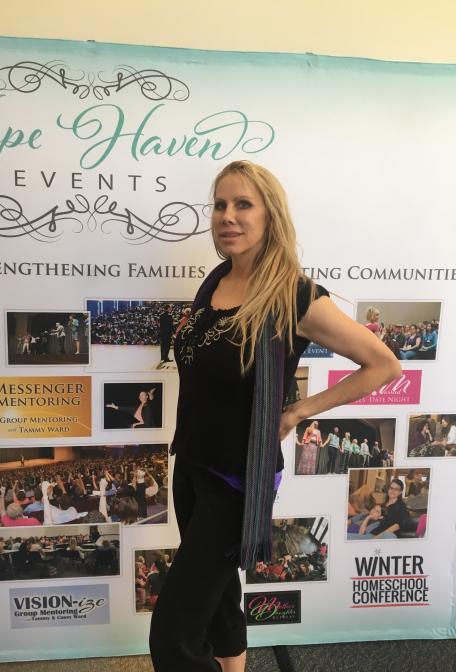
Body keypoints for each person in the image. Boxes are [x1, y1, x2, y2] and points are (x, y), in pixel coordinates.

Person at [149, 160, 400, 672]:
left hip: (236, 480)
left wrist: (301, 410)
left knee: (173, 636)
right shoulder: (216, 282)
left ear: (271, 216)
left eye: (243, 204)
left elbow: (383, 364)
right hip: (191, 466)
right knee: (219, 601)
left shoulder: (294, 295)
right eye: (220, 204)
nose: (228, 215)